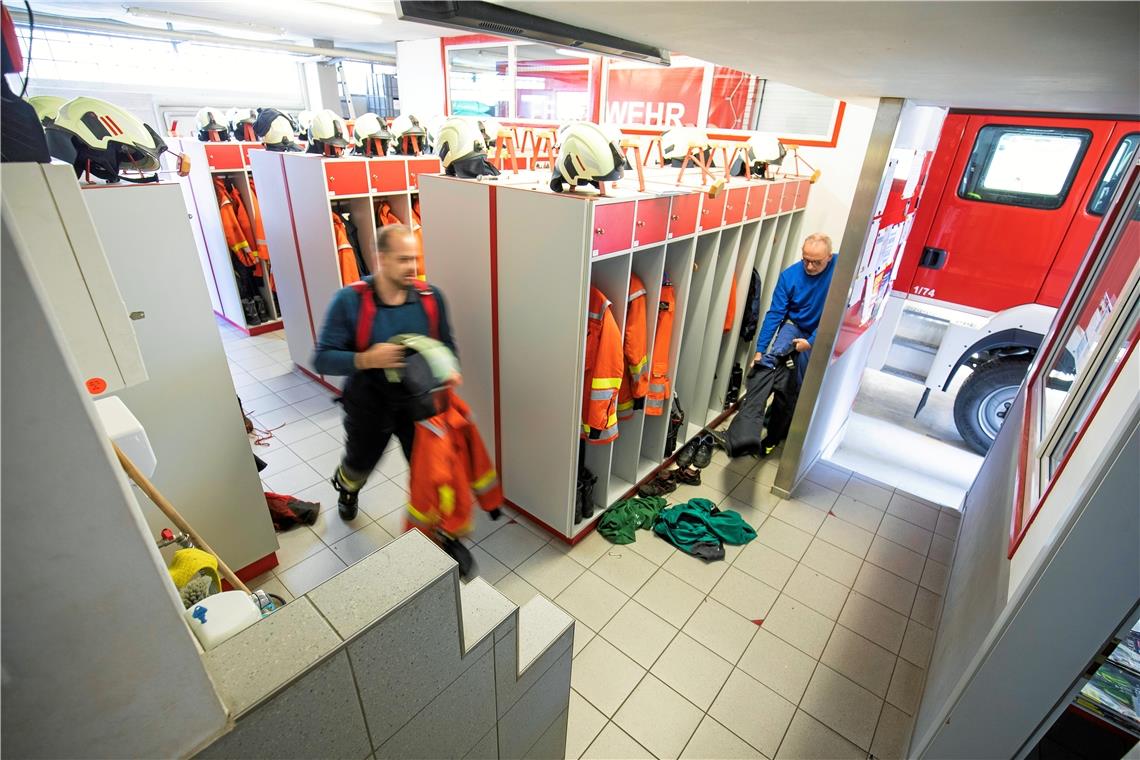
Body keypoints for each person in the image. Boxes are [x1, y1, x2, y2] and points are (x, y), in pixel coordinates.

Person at [313, 224, 458, 521]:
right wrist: (367, 359)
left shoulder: (432, 298)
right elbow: (322, 359)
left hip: (418, 402)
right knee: (360, 464)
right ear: (381, 258)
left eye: (415, 259)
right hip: (369, 403)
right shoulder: (349, 301)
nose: (413, 267)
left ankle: (436, 530)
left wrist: (450, 370)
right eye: (403, 259)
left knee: (427, 470)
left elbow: (447, 345)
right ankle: (347, 486)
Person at [753, 232, 836, 383]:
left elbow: (836, 313)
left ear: (829, 257)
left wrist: (811, 341)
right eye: (806, 260)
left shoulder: (841, 267)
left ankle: (793, 400)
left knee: (803, 374)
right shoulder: (789, 276)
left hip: (823, 326)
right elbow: (775, 314)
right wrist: (760, 351)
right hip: (796, 324)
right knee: (775, 357)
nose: (810, 267)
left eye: (816, 262)